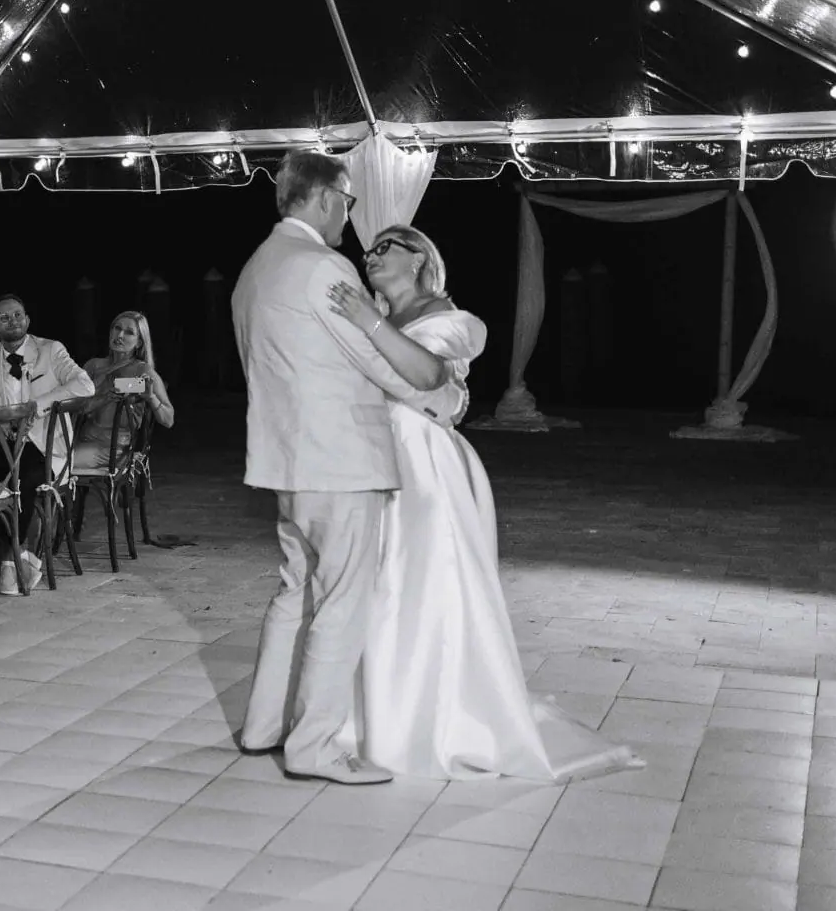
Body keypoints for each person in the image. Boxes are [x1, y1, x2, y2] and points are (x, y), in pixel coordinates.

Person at [326, 225, 640, 782]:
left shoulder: (455, 321)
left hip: (420, 464)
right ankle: (370, 711)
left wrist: (364, 321)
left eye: (384, 249)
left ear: (419, 259)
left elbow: (429, 374)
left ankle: (434, 719)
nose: (369, 257)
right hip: (371, 457)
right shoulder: (373, 319)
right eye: (368, 249)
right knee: (374, 586)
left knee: (419, 584)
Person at [232, 151, 461, 786]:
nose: (349, 219)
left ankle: (263, 728)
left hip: (285, 462)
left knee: (292, 593)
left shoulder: (255, 269)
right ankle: (315, 748)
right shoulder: (320, 266)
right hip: (341, 464)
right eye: (350, 203)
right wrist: (439, 390)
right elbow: (380, 364)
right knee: (340, 604)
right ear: (329, 196)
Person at [0, 293, 95, 594]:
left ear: (27, 319)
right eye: (4, 317)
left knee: (21, 480)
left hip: (47, 447)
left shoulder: (50, 351)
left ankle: (7, 560)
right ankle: (18, 559)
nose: (12, 321)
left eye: (18, 315)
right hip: (6, 443)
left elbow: (85, 385)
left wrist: (36, 405)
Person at [75, 311, 175, 471]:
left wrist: (151, 398)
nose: (120, 335)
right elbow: (75, 404)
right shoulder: (93, 366)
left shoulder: (142, 371)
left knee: (57, 464)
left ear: (139, 343)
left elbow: (168, 420)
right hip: (79, 439)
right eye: (117, 328)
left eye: (129, 332)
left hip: (113, 448)